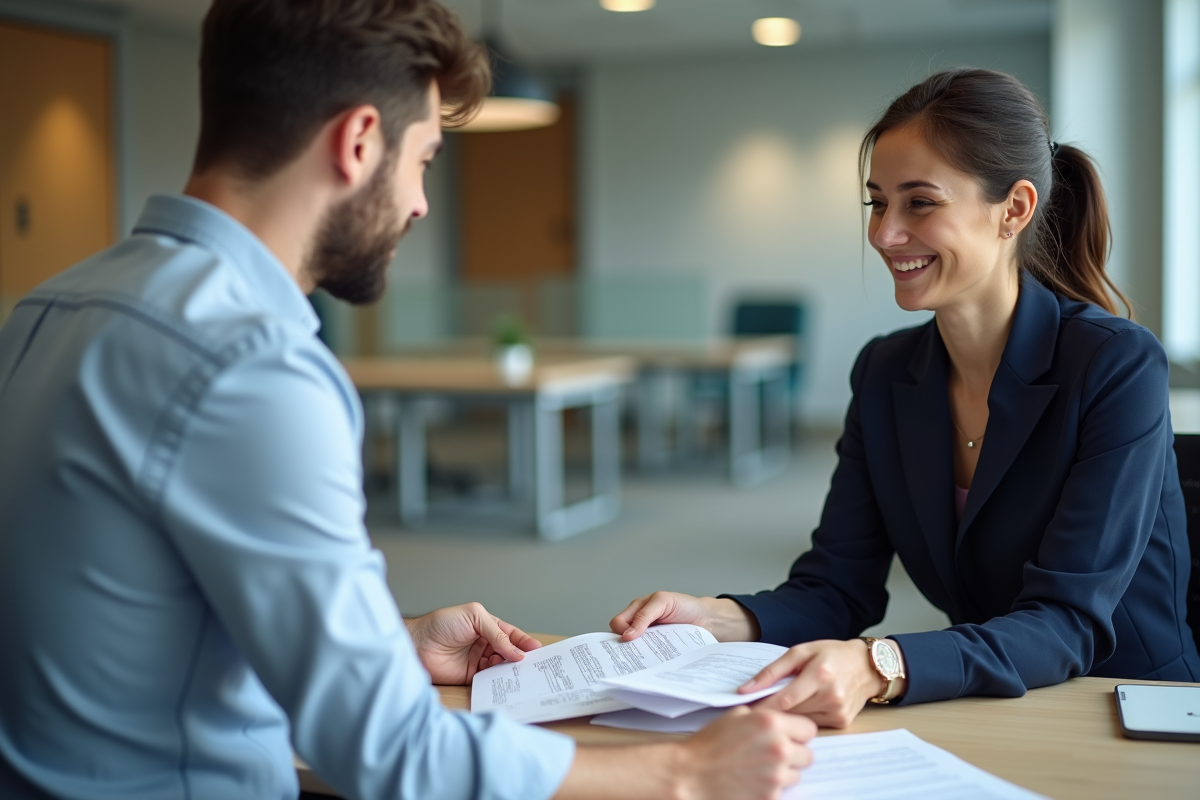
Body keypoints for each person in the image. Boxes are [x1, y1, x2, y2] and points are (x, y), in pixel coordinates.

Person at [0, 1, 816, 798]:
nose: (422, 203)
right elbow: (385, 751)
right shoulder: (253, 367)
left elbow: (126, 615)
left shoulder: (48, 309)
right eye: (423, 158)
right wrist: (682, 772)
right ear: (358, 142)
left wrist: (388, 639)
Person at [611, 67, 1200, 728]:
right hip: (990, 696)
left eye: (919, 202)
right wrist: (718, 617)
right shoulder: (887, 372)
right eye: (877, 203)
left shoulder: (1113, 363)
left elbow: (1066, 622)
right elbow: (837, 587)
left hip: (1123, 712)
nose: (884, 234)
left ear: (1014, 209)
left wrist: (879, 665)